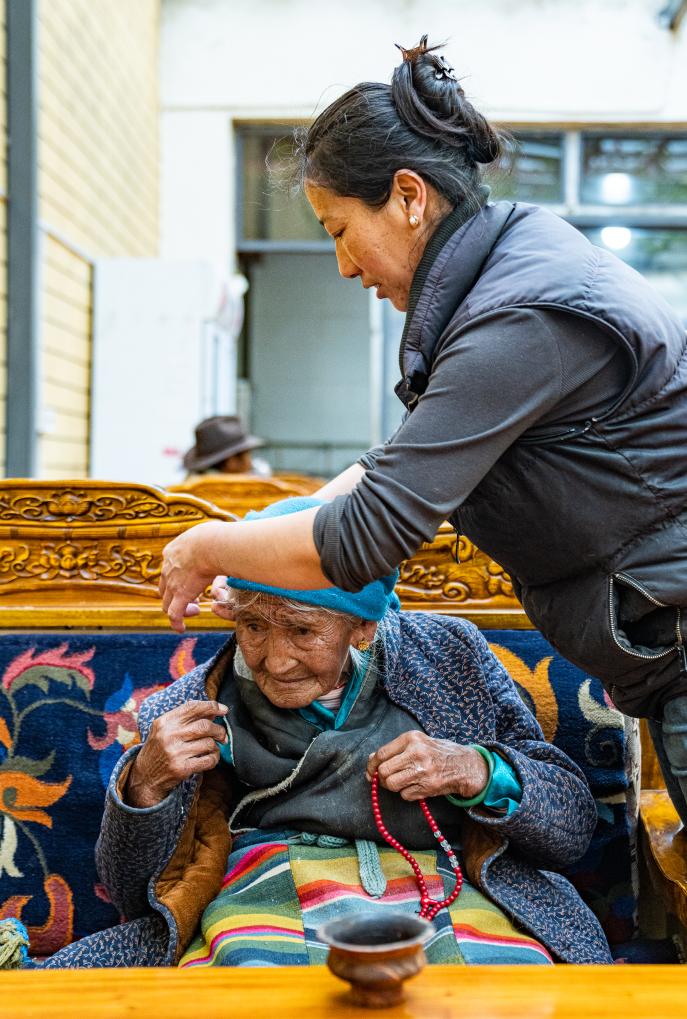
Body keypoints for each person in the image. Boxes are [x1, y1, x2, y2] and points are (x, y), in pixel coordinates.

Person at [159, 38, 687, 827]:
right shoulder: (512, 272)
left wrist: (207, 545)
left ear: (407, 196)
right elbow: (391, 471)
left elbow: (367, 532)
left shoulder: (518, 316)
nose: (343, 266)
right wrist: (258, 539)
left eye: (338, 229)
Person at [11, 498, 610, 968]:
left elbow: (571, 828)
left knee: (501, 988)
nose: (275, 662)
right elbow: (132, 890)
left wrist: (477, 770)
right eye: (253, 627)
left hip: (448, 888)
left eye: (302, 632)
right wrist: (145, 784)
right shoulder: (191, 707)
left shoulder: (448, 658)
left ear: (363, 629)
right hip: (259, 895)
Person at [182, 415, 270, 479]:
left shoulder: (189, 488)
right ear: (232, 462)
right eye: (247, 452)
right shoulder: (260, 485)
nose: (250, 461)